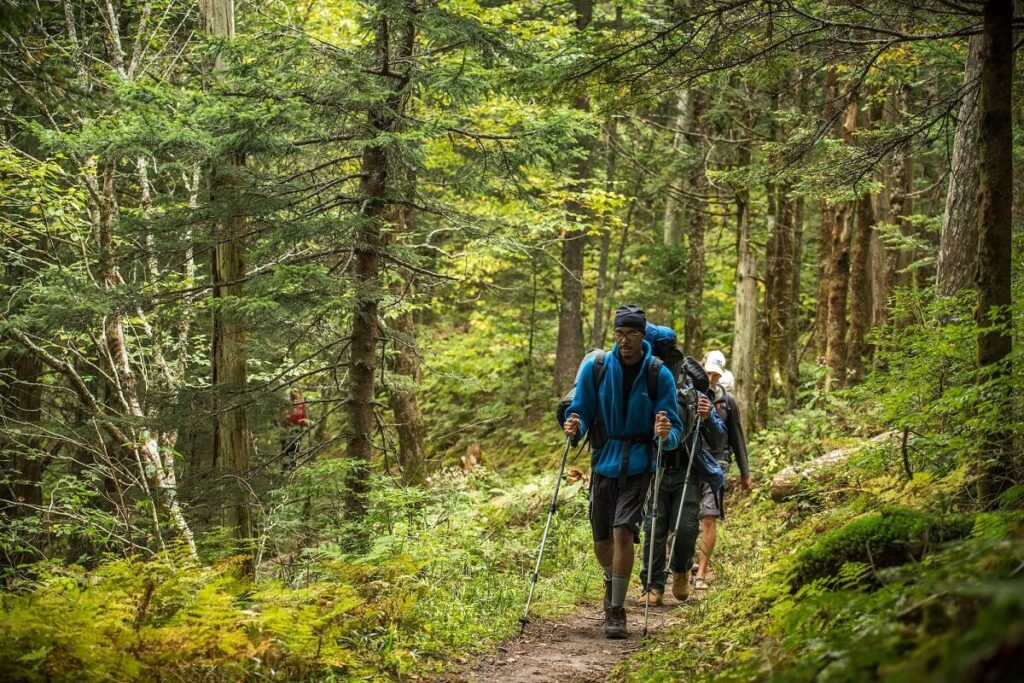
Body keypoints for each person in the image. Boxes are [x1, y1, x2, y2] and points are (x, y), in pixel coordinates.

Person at [563, 304, 683, 640]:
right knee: (602, 541)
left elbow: (674, 427)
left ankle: (616, 610)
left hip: (640, 464)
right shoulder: (598, 368)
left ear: (642, 336)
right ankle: (611, 578)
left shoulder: (659, 374)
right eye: (619, 333)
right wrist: (575, 425)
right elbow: (581, 410)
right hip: (604, 461)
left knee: (622, 532)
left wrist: (665, 434)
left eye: (631, 333)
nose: (624, 340)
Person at [636, 367, 725, 606]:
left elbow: (719, 440)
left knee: (686, 527)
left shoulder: (695, 396)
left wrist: (708, 417)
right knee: (654, 527)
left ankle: (681, 570)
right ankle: (652, 584)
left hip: (687, 471)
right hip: (655, 469)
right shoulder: (647, 391)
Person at [693, 351, 751, 590]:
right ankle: (684, 564)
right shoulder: (690, 395)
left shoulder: (728, 401)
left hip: (717, 465)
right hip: (691, 462)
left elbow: (737, 437)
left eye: (716, 374)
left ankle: (701, 573)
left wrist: (745, 473)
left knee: (709, 516)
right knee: (687, 518)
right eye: (708, 373)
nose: (712, 378)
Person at [277, 389, 310, 472]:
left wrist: (303, 422)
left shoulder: (301, 404)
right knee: (285, 449)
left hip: (297, 430)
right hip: (286, 430)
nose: (293, 395)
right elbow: (280, 418)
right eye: (292, 393)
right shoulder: (285, 403)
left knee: (295, 449)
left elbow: (306, 419)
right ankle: (284, 469)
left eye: (295, 393)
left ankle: (293, 468)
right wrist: (285, 421)